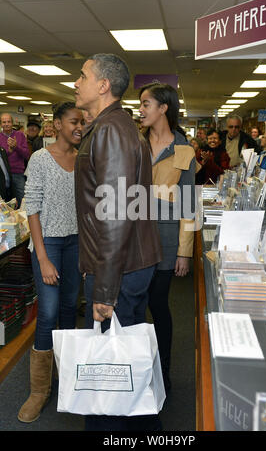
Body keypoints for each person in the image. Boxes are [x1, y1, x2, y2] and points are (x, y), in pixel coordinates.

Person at [74, 53, 162, 431]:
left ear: (103, 85)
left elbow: (116, 213)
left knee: (113, 373)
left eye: (82, 76)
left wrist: (104, 290)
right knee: (123, 364)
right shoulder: (115, 127)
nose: (76, 83)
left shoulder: (111, 130)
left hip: (118, 269)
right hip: (126, 264)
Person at [18, 102, 84, 424]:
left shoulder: (82, 160)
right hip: (49, 244)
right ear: (57, 124)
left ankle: (67, 375)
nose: (79, 127)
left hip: (75, 244)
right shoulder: (40, 159)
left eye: (81, 122)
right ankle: (39, 390)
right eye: (73, 122)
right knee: (47, 312)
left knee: (70, 307)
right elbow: (32, 208)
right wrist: (42, 258)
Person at [138, 82, 196, 393]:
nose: (141, 109)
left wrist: (184, 252)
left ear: (164, 108)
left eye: (147, 103)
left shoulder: (185, 148)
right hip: (132, 239)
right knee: (133, 305)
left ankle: (163, 371)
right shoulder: (134, 143)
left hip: (165, 239)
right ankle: (134, 369)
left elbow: (188, 202)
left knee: (158, 304)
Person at [0, 113, 29, 207]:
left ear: (12, 123)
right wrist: (9, 151)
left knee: (23, 200)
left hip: (18, 173)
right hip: (2, 176)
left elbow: (27, 155)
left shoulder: (20, 135)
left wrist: (16, 147)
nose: (6, 124)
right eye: (4, 122)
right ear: (1, 124)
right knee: (5, 203)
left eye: (8, 121)